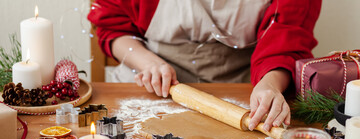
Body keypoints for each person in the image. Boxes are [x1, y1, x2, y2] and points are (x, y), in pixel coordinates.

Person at [88, 0, 322, 131]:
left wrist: (270, 84)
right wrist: (147, 62)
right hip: (146, 81)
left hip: (248, 85)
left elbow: (288, 37)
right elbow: (113, 26)